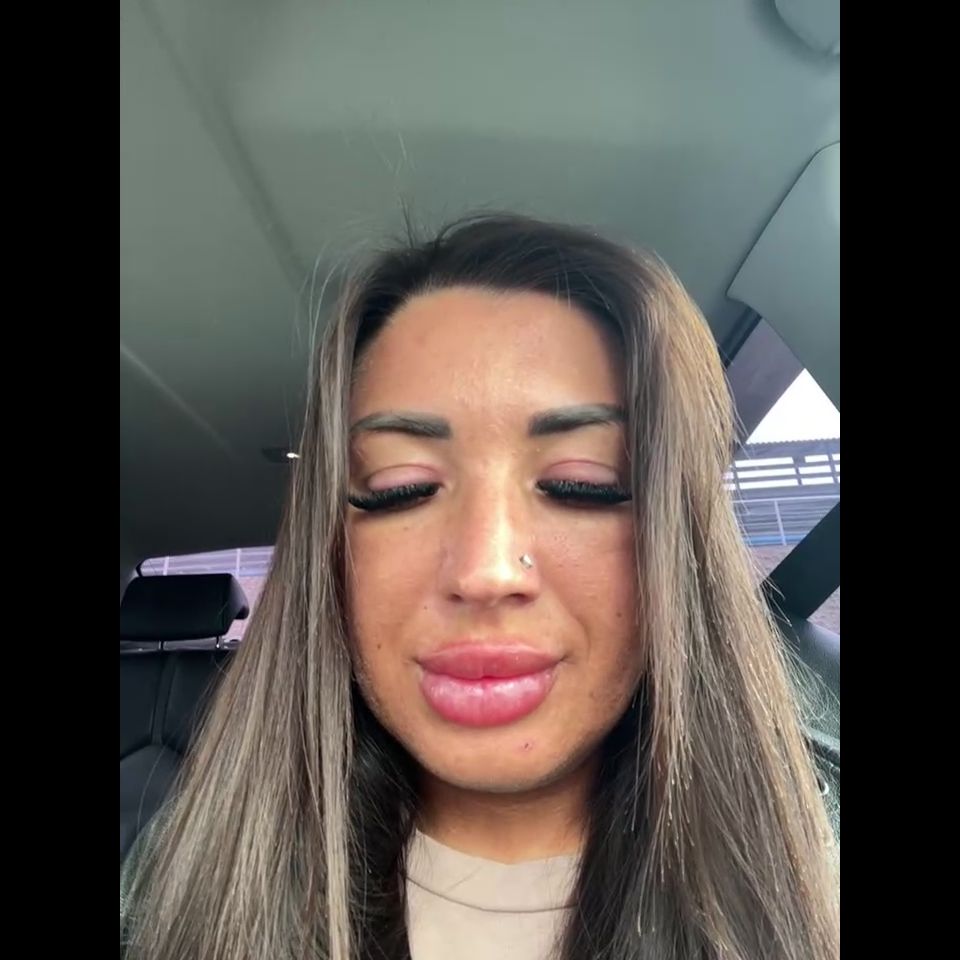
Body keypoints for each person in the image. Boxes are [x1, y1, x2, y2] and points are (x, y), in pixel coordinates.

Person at [121, 213, 839, 960]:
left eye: (582, 483)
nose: (485, 571)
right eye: (400, 487)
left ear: (677, 542)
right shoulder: (169, 880)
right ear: (328, 555)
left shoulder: (815, 870)